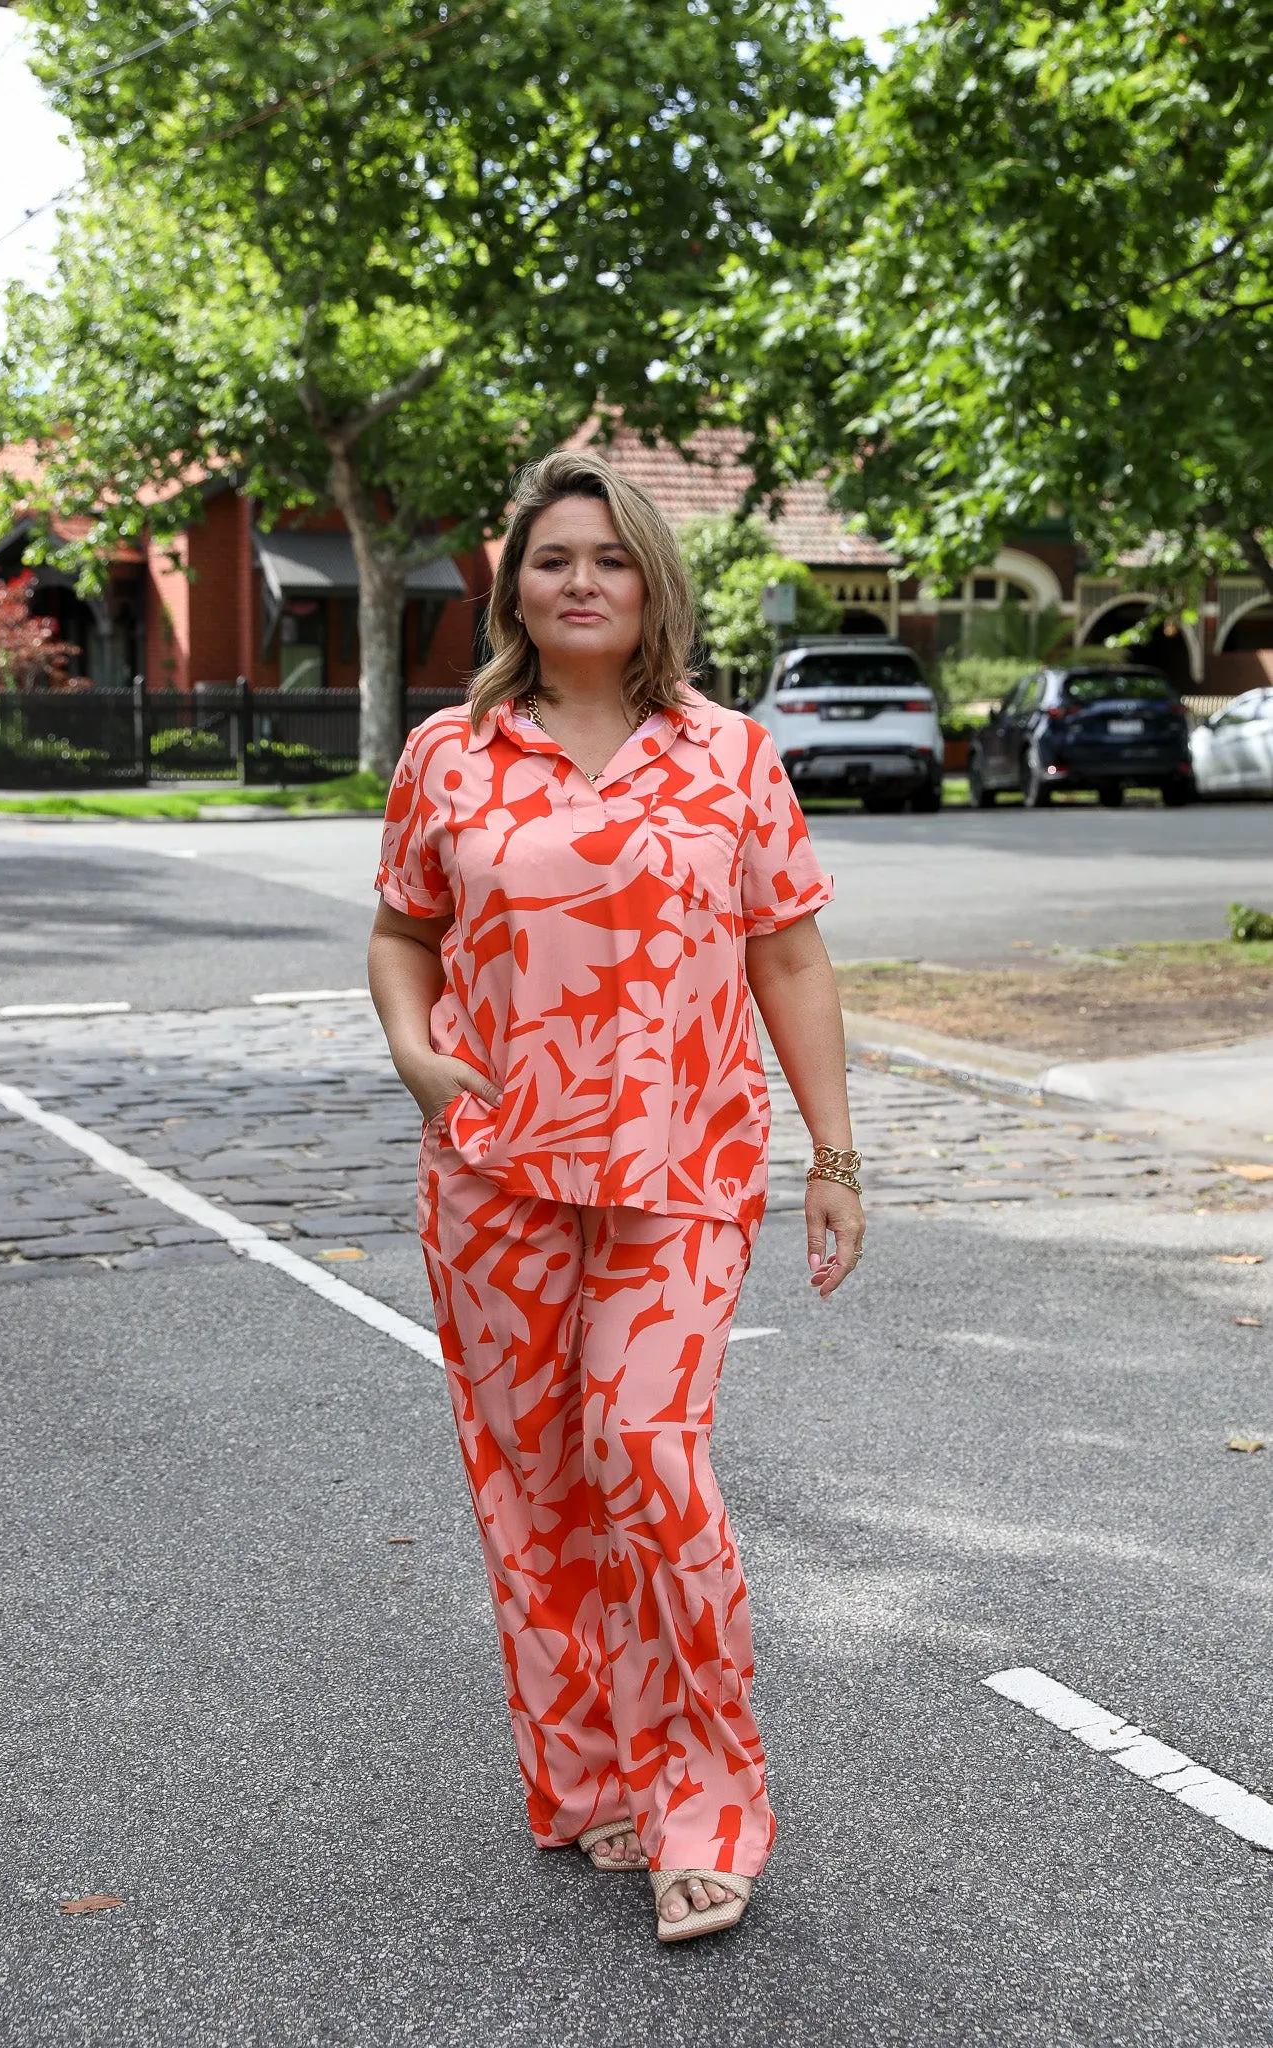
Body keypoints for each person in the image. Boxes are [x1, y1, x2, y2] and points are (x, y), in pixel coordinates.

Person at [367, 447, 864, 1943]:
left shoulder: (730, 755)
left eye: (609, 558)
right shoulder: (451, 753)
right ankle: (591, 1779)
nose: (580, 582)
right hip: (497, 1171)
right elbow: (403, 929)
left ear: (652, 578)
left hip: (681, 1170)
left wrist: (834, 1158)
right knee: (535, 1489)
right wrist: (415, 1055)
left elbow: (789, 955)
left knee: (644, 1452)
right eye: (551, 559)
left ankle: (706, 1805)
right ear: (511, 582)